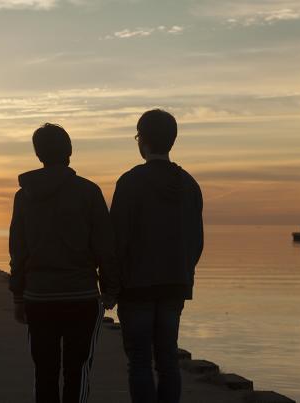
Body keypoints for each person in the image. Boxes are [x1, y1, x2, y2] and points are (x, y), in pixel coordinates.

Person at [9, 123, 119, 403]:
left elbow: (18, 250)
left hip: (38, 295)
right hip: (81, 295)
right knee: (78, 370)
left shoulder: (24, 196)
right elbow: (104, 245)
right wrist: (110, 287)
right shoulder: (89, 192)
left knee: (44, 371)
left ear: (38, 154)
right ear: (69, 152)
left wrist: (18, 296)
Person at [110, 109, 203, 403]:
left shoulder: (130, 182)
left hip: (136, 287)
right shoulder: (189, 185)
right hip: (174, 285)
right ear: (171, 141)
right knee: (168, 360)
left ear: (143, 141)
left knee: (139, 361)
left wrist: (110, 285)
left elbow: (117, 240)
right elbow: (196, 241)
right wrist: (183, 271)